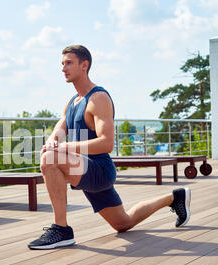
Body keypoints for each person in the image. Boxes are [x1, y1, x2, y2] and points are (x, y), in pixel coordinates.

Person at [28, 45, 191, 250]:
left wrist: (63, 148)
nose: (63, 68)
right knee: (123, 223)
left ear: (84, 65)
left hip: (100, 171)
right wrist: (52, 142)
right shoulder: (72, 102)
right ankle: (175, 197)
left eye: (69, 63)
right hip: (84, 169)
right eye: (62, 64)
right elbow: (60, 129)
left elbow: (106, 143)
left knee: (50, 159)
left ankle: (61, 230)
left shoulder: (98, 98)